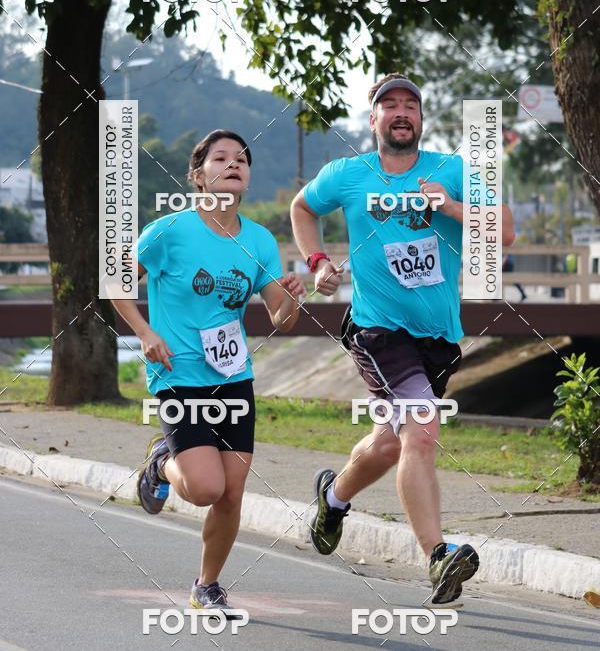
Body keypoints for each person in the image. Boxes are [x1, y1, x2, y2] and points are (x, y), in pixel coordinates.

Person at [290, 74, 516, 606]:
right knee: (422, 430)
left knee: (391, 444)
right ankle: (438, 556)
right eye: (388, 104)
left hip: (439, 337)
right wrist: (318, 261)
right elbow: (302, 208)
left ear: (420, 119)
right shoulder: (348, 174)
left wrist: (449, 206)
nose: (400, 112)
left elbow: (504, 231)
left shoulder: (453, 170)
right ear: (373, 120)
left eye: (410, 105)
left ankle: (333, 499)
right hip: (377, 331)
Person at [111, 130, 304, 617]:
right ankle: (160, 462)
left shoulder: (259, 240)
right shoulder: (169, 231)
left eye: (242, 159)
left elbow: (281, 319)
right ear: (198, 176)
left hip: (233, 376)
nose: (234, 164)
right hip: (177, 374)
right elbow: (114, 282)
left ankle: (207, 585)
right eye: (221, 158)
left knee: (231, 493)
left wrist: (294, 296)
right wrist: (145, 333)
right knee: (204, 489)